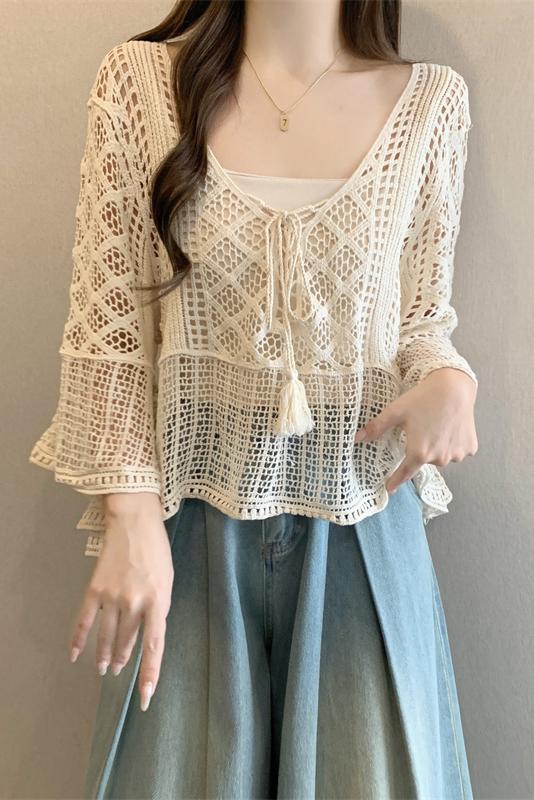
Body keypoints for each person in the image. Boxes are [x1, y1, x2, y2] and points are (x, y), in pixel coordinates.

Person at [28, 1, 479, 797]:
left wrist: (452, 381)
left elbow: (421, 318)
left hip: (362, 520)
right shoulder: (140, 87)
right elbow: (109, 327)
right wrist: (130, 511)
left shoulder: (429, 104)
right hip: (186, 532)